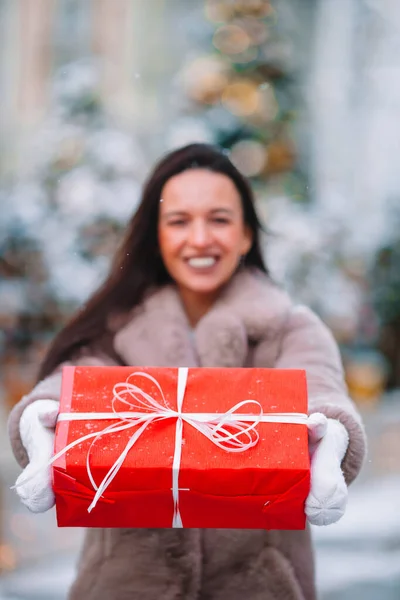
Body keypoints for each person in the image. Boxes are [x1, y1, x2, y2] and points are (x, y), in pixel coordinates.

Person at [8, 143, 366, 600]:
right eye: (179, 221)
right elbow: (75, 383)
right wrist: (43, 423)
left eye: (219, 219)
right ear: (156, 236)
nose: (199, 239)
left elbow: (320, 392)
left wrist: (331, 440)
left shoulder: (290, 328)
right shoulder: (118, 329)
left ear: (246, 236)